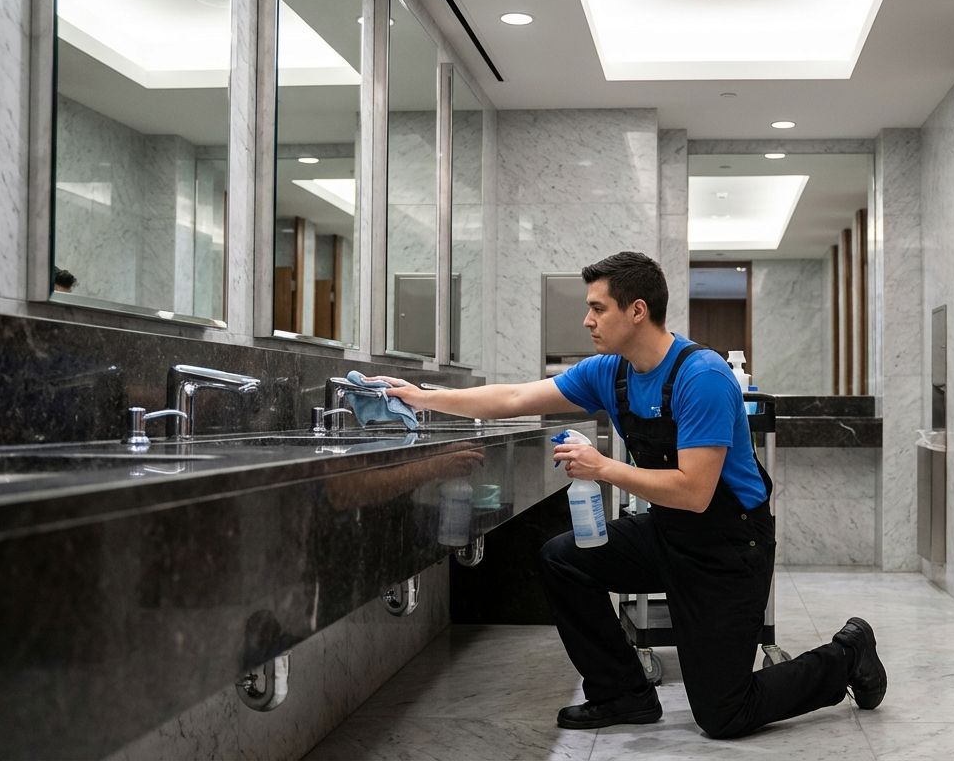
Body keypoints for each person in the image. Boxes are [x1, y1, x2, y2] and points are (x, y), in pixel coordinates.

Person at [378, 252, 887, 739]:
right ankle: (623, 693)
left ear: (637, 311)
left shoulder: (702, 377)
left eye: (597, 308)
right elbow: (514, 397)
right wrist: (423, 398)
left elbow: (693, 491)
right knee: (563, 558)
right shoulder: (610, 372)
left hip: (728, 547)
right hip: (668, 530)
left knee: (725, 712)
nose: (586, 320)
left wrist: (604, 468)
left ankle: (847, 654)